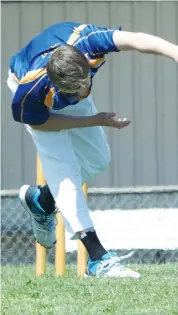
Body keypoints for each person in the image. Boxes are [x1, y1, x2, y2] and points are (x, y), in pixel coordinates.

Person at [7, 22, 178, 278]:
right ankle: (98, 260)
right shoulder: (31, 88)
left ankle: (42, 200)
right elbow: (40, 122)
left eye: (85, 84)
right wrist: (94, 120)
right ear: (57, 84)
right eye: (74, 92)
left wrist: (175, 52)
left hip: (63, 77)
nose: (83, 92)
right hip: (39, 105)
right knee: (66, 176)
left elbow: (136, 39)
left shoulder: (88, 41)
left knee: (98, 161)